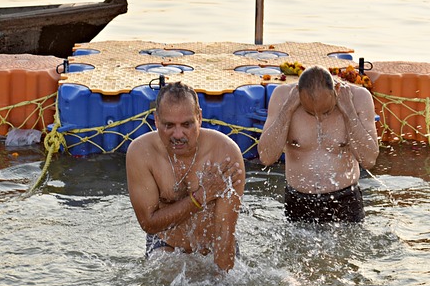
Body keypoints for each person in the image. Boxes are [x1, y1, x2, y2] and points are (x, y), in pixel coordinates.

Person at [126, 81, 245, 272]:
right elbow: (148, 224)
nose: (178, 134)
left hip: (212, 246)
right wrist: (200, 197)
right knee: (163, 280)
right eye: (169, 125)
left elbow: (224, 232)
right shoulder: (141, 152)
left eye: (187, 124)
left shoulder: (224, 153)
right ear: (156, 120)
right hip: (167, 245)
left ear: (199, 117)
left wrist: (223, 285)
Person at [258, 65, 379, 223]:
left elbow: (369, 160)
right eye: (309, 112)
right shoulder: (283, 97)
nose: (319, 118)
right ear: (298, 94)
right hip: (298, 202)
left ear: (336, 91)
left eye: (326, 111)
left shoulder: (358, 98)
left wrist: (349, 111)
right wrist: (287, 109)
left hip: (345, 201)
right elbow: (266, 157)